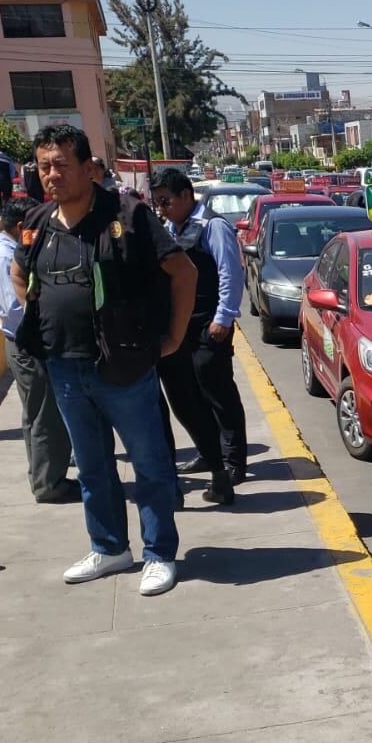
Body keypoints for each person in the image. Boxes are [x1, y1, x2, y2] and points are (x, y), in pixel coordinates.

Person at [10, 124, 198, 597]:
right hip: (63, 366)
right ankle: (110, 547)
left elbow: (183, 272)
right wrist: (43, 317)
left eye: (61, 165)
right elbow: (18, 271)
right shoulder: (38, 220)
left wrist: (174, 337)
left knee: (150, 464)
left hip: (124, 366)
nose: (51, 175)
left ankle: (159, 553)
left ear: (87, 168)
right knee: (93, 467)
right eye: (44, 166)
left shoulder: (128, 216)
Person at [150, 168, 248, 502]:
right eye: (157, 202)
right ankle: (210, 453)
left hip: (210, 324)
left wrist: (224, 317)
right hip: (182, 326)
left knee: (218, 391)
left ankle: (234, 461)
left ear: (185, 196)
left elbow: (229, 273)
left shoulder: (213, 226)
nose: (161, 209)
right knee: (190, 395)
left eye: (166, 201)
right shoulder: (170, 229)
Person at [0, 196, 77, 504]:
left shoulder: (12, 251)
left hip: (29, 343)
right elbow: (18, 311)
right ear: (22, 226)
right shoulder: (2, 259)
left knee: (39, 414)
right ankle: (49, 483)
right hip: (28, 345)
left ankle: (45, 475)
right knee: (45, 417)